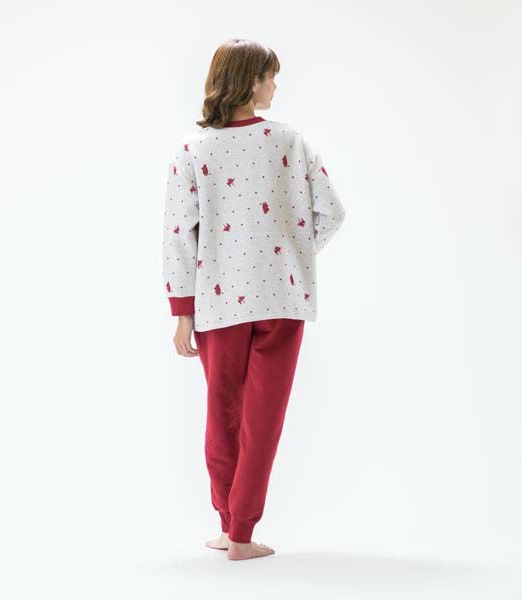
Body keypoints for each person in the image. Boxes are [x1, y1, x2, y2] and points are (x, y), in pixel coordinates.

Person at [161, 39, 346, 560]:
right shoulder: (290, 141)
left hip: (218, 303)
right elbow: (331, 212)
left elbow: (178, 236)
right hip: (282, 299)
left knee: (222, 413)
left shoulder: (192, 150)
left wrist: (182, 312)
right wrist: (291, 255)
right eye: (269, 76)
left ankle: (229, 529)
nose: (275, 86)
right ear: (249, 81)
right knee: (263, 419)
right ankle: (240, 534)